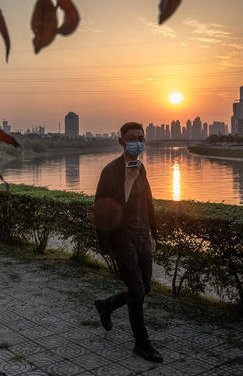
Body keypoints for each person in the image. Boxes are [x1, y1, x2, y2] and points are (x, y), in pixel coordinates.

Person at [93, 122, 163, 363]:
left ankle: (107, 305)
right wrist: (106, 246)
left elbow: (148, 203)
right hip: (121, 238)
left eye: (141, 138)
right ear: (121, 141)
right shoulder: (110, 171)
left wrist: (153, 234)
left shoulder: (141, 169)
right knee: (137, 290)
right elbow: (101, 209)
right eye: (132, 138)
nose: (137, 142)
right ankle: (142, 343)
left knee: (145, 288)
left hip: (142, 235)